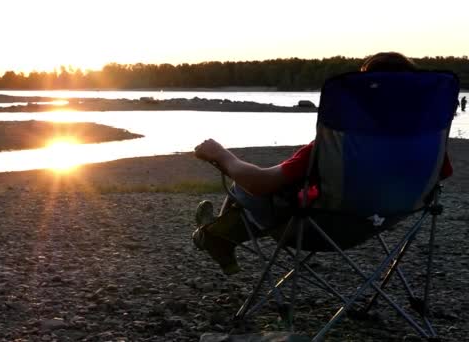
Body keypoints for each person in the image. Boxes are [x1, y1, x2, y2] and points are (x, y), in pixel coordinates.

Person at [191, 52, 454, 275]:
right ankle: (215, 233)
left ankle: (214, 234)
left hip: (317, 229)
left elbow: (259, 183)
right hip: (375, 225)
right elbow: (435, 182)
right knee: (291, 194)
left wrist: (221, 154)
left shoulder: (336, 147)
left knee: (244, 186)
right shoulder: (429, 147)